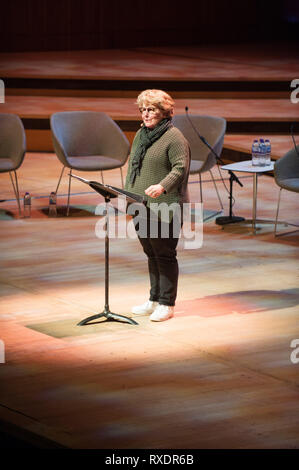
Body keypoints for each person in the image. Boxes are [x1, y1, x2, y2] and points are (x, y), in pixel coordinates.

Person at [125, 89, 190, 321]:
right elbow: (134, 167)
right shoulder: (142, 134)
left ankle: (167, 303)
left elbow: (179, 168)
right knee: (150, 253)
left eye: (151, 109)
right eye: (142, 110)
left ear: (164, 112)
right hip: (140, 204)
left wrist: (162, 186)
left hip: (166, 204)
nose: (145, 114)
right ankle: (154, 299)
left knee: (164, 254)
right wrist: (129, 199)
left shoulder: (174, 137)